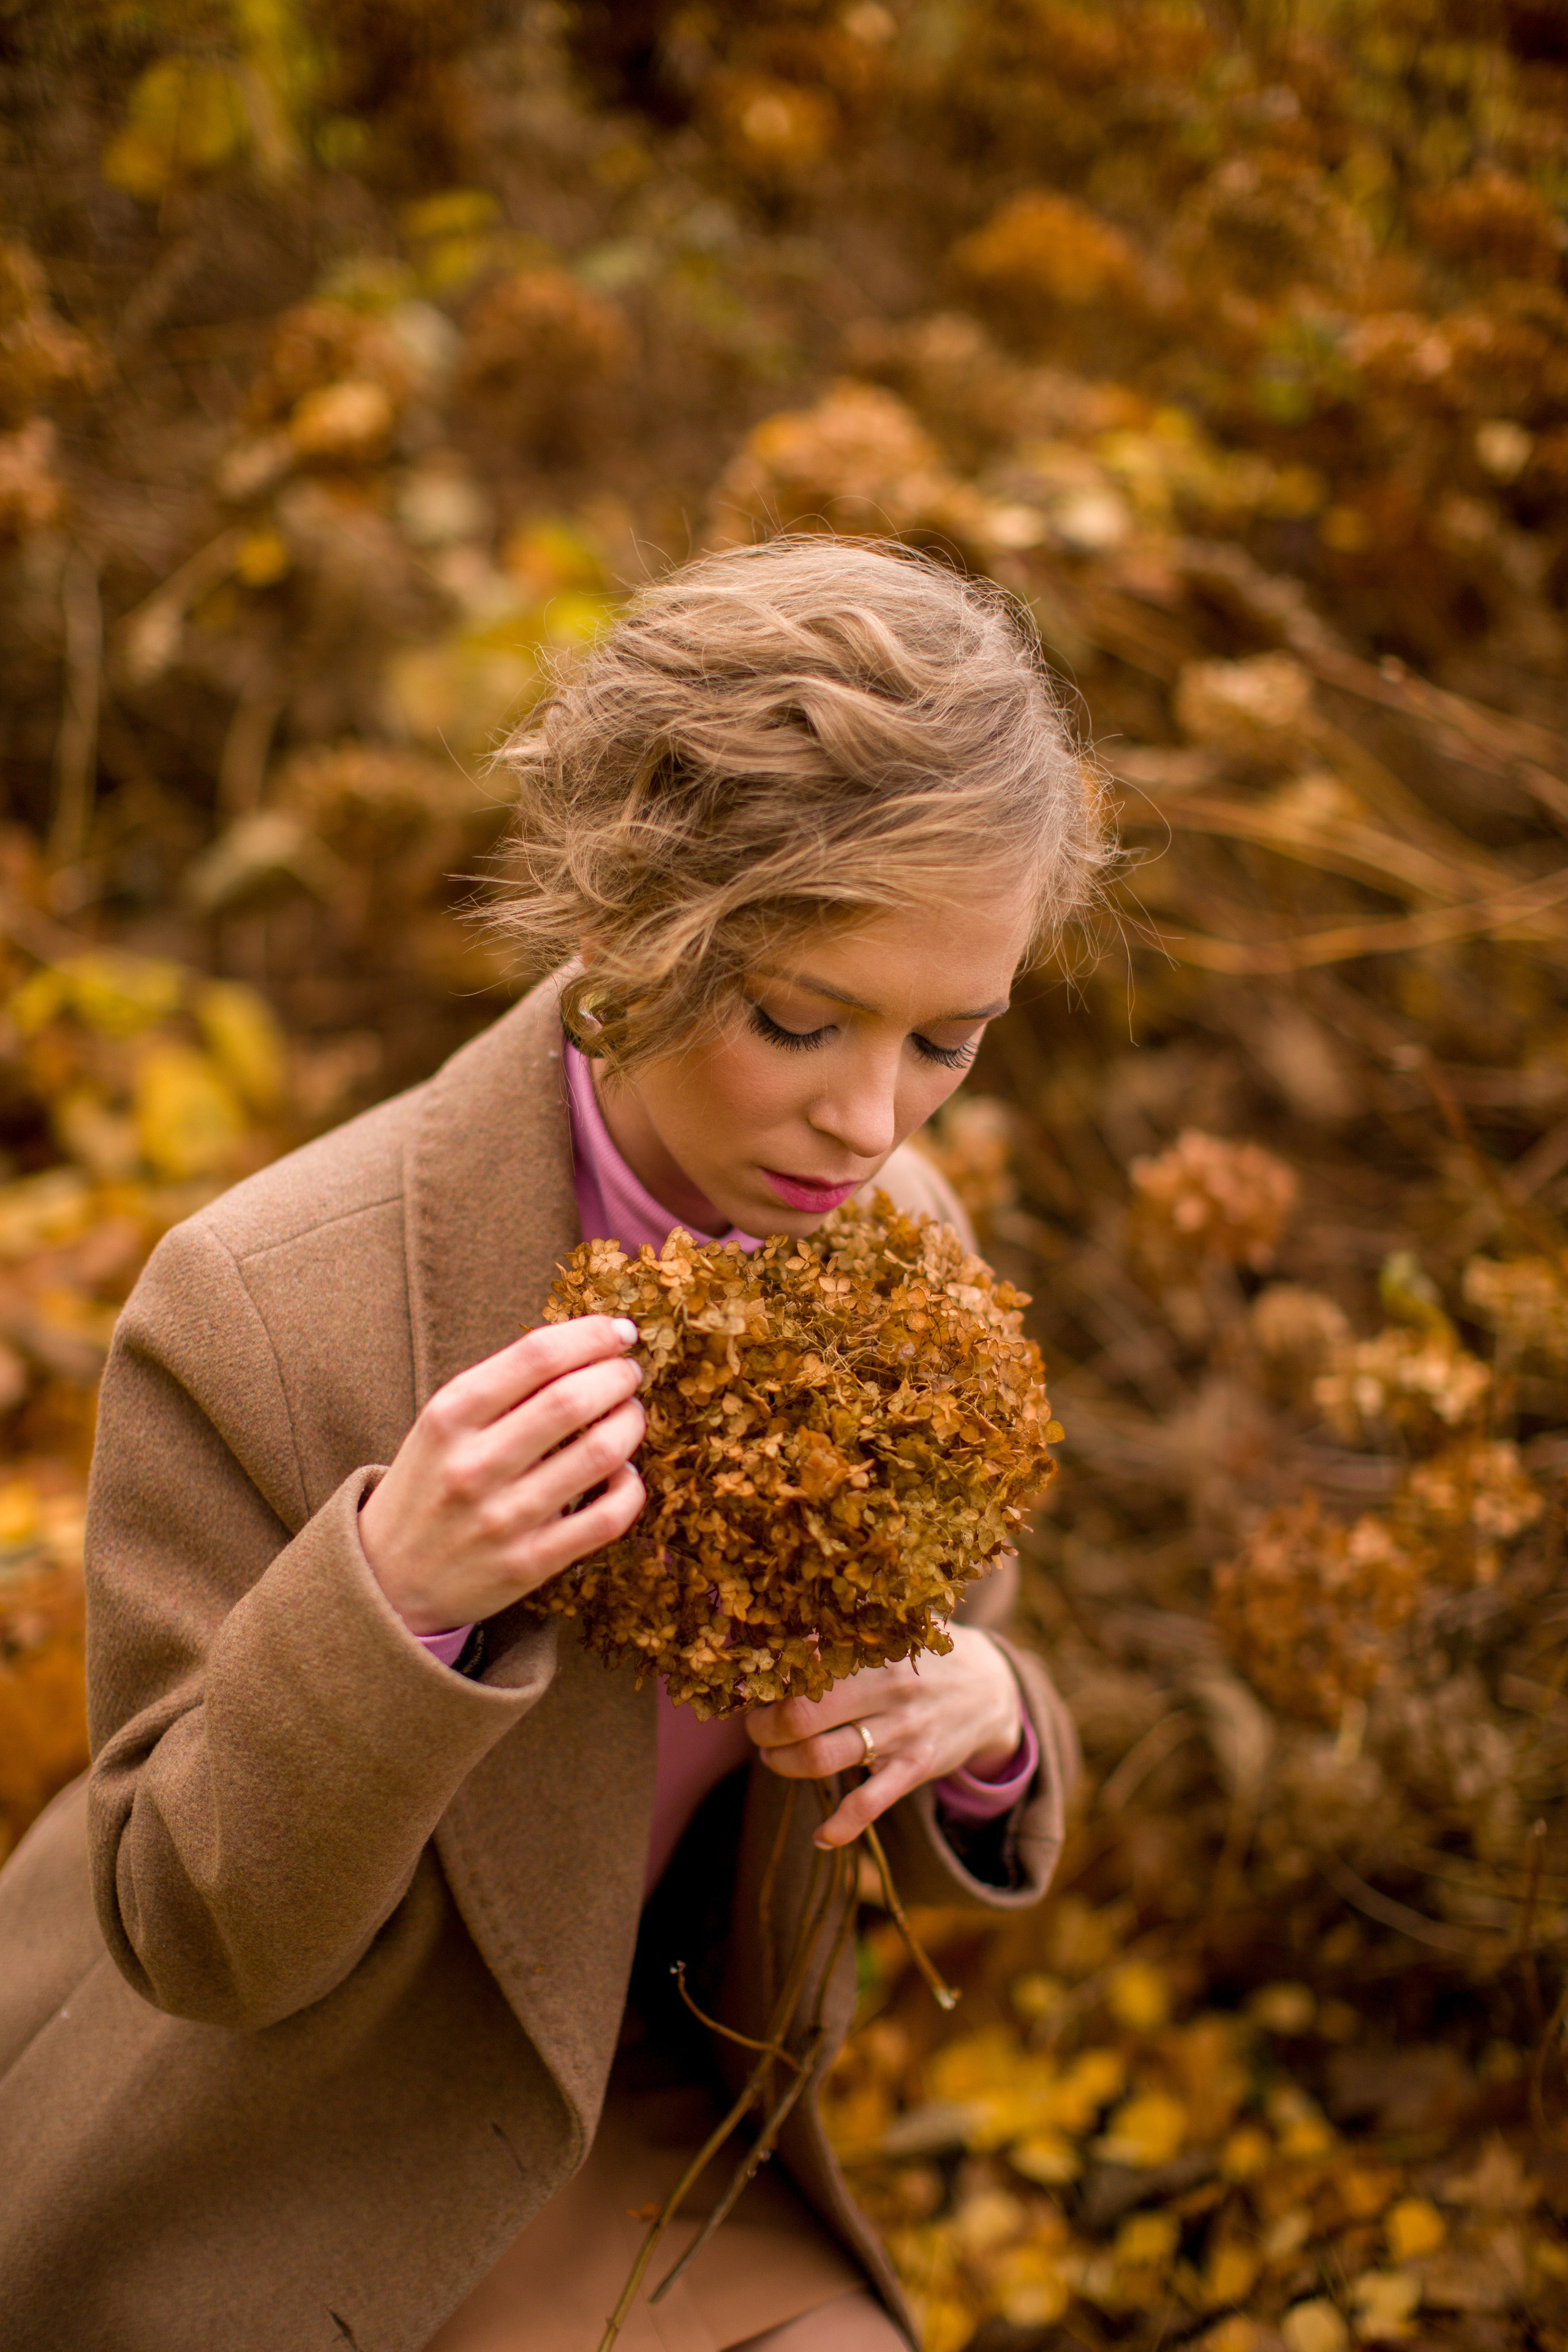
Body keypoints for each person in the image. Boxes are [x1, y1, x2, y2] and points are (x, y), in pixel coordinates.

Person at [0, 537, 1107, 2351]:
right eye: (800, 1019)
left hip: (668, 2126)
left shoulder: (905, 1237)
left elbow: (931, 1684)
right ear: (626, 924)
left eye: (948, 1039)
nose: (869, 1115)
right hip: (282, 2156)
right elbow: (190, 1932)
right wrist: (391, 1599)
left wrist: (981, 1720)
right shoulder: (266, 1307)